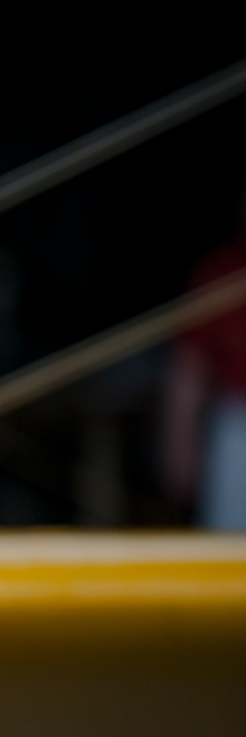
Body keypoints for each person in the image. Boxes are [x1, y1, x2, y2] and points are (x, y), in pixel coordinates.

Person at [163, 186, 246, 529]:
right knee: (230, 545)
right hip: (235, 424)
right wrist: (180, 445)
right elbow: (189, 369)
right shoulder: (219, 272)